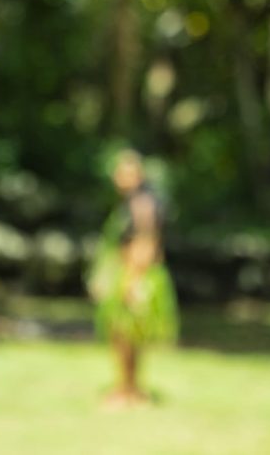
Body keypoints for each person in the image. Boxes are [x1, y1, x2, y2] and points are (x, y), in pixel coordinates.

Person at [87, 149, 178, 407]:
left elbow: (146, 241)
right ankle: (128, 389)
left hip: (136, 273)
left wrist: (133, 280)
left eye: (125, 172)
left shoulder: (142, 203)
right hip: (127, 271)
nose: (119, 177)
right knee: (126, 336)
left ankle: (127, 390)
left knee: (126, 335)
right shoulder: (130, 202)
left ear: (138, 174)